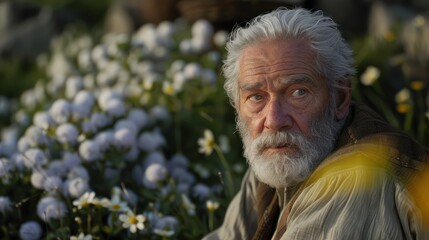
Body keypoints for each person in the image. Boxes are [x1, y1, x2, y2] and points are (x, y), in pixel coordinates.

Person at [203, 7, 429, 240]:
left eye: (298, 93)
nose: (273, 121)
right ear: (237, 106)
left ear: (340, 98)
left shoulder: (355, 180)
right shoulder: (278, 159)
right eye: (256, 97)